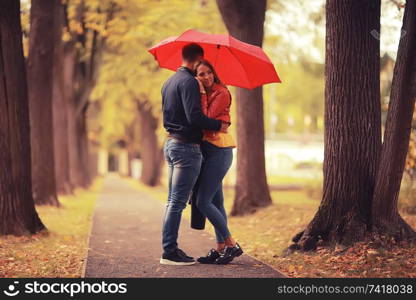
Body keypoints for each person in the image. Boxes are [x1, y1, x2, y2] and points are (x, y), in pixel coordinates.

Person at [160, 43, 229, 266]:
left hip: (170, 143)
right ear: (199, 57)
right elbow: (194, 117)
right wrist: (219, 124)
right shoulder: (189, 81)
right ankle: (169, 252)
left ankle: (170, 249)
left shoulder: (168, 82)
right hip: (186, 148)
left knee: (173, 200)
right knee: (178, 202)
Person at [193, 59, 243, 265]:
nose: (206, 77)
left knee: (202, 201)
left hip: (219, 150)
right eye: (201, 74)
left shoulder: (221, 92)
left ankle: (231, 244)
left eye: (208, 73)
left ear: (214, 73)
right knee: (216, 201)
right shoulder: (205, 92)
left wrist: (202, 95)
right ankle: (220, 247)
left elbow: (206, 120)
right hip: (209, 150)